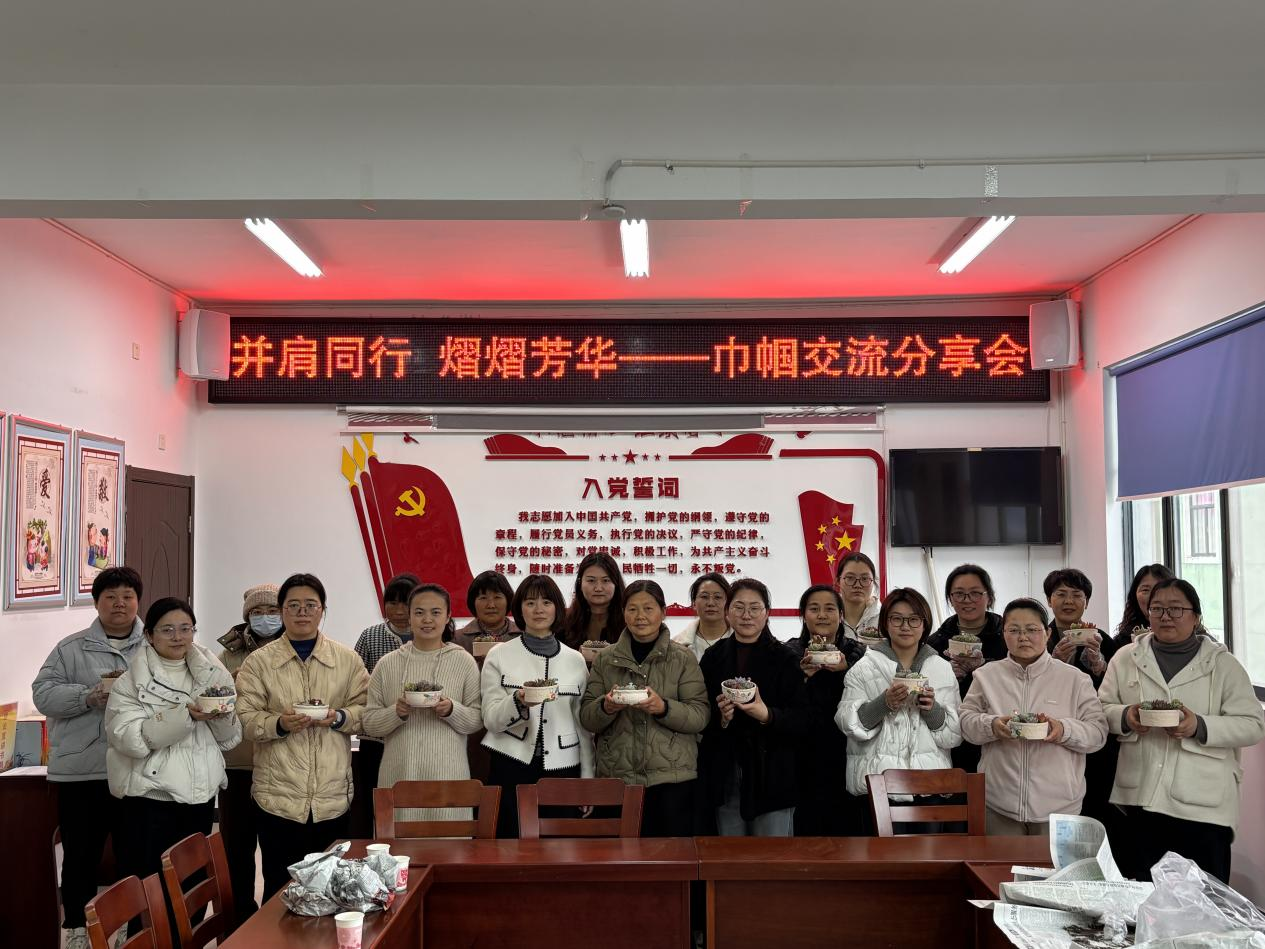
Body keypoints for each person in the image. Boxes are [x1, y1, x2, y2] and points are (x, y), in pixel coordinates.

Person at [1099, 578, 1264, 883]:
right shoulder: (1125, 658)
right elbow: (1101, 709)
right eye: (1157, 609)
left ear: (1196, 617)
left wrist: (1198, 725)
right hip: (1140, 799)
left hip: (1203, 807)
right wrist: (1126, 716)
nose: (1165, 617)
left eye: (1176, 609)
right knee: (1142, 896)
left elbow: (1253, 724)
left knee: (1202, 900)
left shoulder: (1223, 665)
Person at [235, 573, 369, 899]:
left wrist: (339, 717)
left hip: (332, 799)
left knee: (333, 893)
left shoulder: (346, 660)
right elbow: (245, 719)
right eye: (293, 605)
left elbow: (367, 712)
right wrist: (278, 724)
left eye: (311, 605)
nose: (302, 612)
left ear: (323, 610)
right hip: (277, 798)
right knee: (280, 892)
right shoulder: (259, 663)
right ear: (282, 611)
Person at [105, 598, 240, 920]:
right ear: (149, 635)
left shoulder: (213, 674)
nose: (178, 637)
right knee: (150, 896)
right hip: (151, 800)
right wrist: (185, 716)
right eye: (167, 630)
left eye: (185, 628)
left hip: (200, 798)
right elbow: (129, 738)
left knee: (193, 891)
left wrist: (222, 716)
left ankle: (189, 939)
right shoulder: (130, 682)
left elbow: (229, 739)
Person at [32, 566, 145, 949]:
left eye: (127, 596)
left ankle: (133, 929)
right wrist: (87, 697)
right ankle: (77, 931)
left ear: (138, 601)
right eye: (110, 596)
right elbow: (42, 695)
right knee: (80, 857)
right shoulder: (70, 648)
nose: (119, 604)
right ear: (96, 602)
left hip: (137, 771)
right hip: (83, 774)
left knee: (135, 855)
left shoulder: (154, 645)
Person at [959, 598, 1107, 836]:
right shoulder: (986, 676)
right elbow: (965, 723)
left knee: (1052, 863)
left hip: (1060, 808)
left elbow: (1098, 733)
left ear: (1047, 633)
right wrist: (992, 726)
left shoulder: (1075, 679)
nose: (1023, 637)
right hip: (998, 805)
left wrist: (1063, 730)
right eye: (1014, 630)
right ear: (1003, 634)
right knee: (1001, 862)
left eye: (1032, 630)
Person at [580, 580, 710, 837]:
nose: (640, 616)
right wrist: (606, 706)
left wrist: (663, 708)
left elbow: (700, 716)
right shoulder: (606, 659)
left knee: (669, 857)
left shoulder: (683, 658)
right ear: (623, 613)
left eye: (648, 608)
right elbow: (587, 718)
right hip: (617, 778)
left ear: (663, 612)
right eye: (632, 609)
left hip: (671, 780)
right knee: (618, 857)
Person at [837, 588, 961, 832]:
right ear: (885, 623)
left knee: (929, 856)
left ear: (924, 624)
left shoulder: (941, 668)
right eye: (897, 619)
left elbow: (954, 734)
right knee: (882, 856)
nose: (905, 626)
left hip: (929, 786)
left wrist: (932, 710)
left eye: (914, 619)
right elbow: (848, 723)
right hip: (879, 786)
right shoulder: (864, 668)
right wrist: (884, 704)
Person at [481, 573, 593, 837]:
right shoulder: (498, 655)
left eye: (546, 602)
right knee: (509, 846)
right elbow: (491, 719)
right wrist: (518, 702)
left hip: (563, 767)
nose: (538, 609)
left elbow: (583, 726)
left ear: (557, 608)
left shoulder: (575, 659)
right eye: (530, 603)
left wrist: (587, 780)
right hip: (511, 764)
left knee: (562, 848)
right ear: (519, 609)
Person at [363, 583, 483, 822]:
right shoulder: (387, 664)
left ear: (448, 616)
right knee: (398, 843)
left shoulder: (463, 662)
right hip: (398, 776)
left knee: (451, 841)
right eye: (419, 612)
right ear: (409, 616)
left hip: (449, 776)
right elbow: (369, 723)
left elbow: (477, 719)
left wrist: (451, 710)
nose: (427, 619)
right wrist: (396, 712)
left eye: (435, 612)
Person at [699, 578, 808, 837]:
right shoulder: (713, 657)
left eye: (755, 608)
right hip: (726, 770)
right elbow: (699, 711)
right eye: (739, 607)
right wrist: (721, 718)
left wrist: (767, 715)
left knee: (772, 855)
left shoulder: (786, 658)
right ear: (727, 612)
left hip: (772, 773)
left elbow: (803, 719)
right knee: (730, 852)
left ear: (767, 613)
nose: (746, 615)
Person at [215, 583, 282, 924]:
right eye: (257, 612)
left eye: (272, 611)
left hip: (280, 765)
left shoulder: (292, 649)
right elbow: (209, 695)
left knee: (277, 851)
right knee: (236, 850)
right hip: (237, 764)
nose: (265, 618)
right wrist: (232, 680)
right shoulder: (228, 653)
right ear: (246, 616)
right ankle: (237, 922)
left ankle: (274, 921)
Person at [1042, 568, 1121, 839]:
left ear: (1086, 602)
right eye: (1060, 594)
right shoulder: (1040, 638)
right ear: (1049, 600)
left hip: (1095, 742)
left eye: (1077, 595)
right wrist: (1052, 663)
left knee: (1095, 809)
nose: (1068, 601)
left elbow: (1117, 687)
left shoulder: (1101, 640)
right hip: (1052, 739)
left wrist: (1100, 666)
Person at [788, 584, 868, 836]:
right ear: (804, 615)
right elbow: (781, 703)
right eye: (814, 609)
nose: (822, 615)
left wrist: (845, 672)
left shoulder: (858, 652)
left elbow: (868, 699)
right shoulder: (789, 653)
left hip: (848, 752)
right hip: (802, 755)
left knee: (848, 831)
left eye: (830, 609)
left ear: (841, 615)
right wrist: (801, 677)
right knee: (806, 830)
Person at [349, 572, 420, 837]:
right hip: (375, 737)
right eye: (392, 603)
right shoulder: (371, 636)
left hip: (416, 734)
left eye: (406, 603)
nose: (399, 611)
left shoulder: (428, 636)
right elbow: (354, 681)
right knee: (375, 801)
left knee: (412, 801)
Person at [925, 564, 1005, 774]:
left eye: (975, 593)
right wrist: (946, 677)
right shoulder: (935, 642)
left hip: (998, 732)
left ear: (989, 597)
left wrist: (983, 668)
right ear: (950, 599)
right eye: (959, 594)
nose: (967, 600)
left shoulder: (1007, 637)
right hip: (951, 735)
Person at [562, 552, 626, 649]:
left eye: (606, 580)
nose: (598, 588)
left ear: (616, 583)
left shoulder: (629, 622)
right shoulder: (564, 622)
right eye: (591, 580)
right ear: (580, 583)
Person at [453, 570, 519, 653]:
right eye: (483, 598)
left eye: (497, 597)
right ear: (473, 602)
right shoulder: (456, 640)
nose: (491, 605)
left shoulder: (524, 636)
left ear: (508, 600)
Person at [673, 572, 733, 662]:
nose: (711, 603)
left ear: (728, 603)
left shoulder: (743, 639)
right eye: (704, 596)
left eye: (717, 597)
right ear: (694, 603)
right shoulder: (676, 644)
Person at [1113, 564, 1175, 649]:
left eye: (1160, 588)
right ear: (1134, 596)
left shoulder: (1185, 633)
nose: (1153, 596)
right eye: (1145, 590)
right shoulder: (1123, 641)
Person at [836, 553, 881, 640]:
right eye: (850, 578)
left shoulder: (885, 618)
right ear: (838, 581)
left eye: (864, 579)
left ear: (873, 582)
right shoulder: (827, 617)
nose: (857, 585)